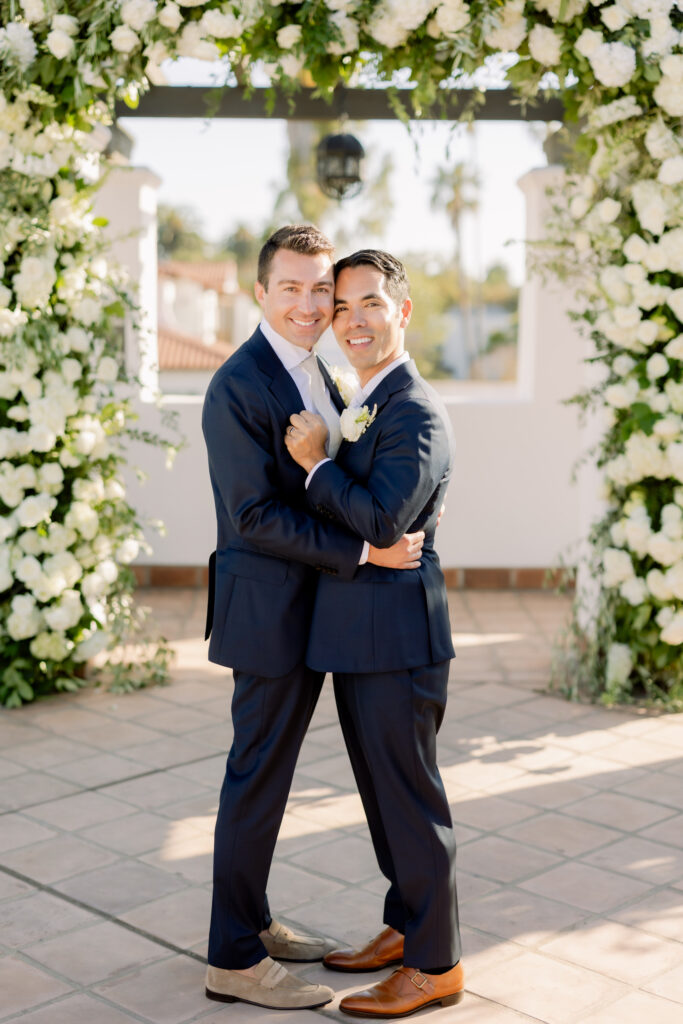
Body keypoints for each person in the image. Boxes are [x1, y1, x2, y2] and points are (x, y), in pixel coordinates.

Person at [201, 226, 424, 1011]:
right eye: (290, 288)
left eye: (318, 289)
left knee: (273, 779)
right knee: (256, 780)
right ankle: (231, 958)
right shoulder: (237, 383)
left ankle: (252, 920)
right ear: (259, 293)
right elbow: (254, 516)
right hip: (266, 615)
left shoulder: (322, 371)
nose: (308, 303)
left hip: (313, 613)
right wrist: (365, 556)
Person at [285, 249, 463, 1018]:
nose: (353, 321)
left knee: (412, 803)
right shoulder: (370, 399)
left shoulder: (414, 410)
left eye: (370, 306)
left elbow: (385, 519)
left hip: (397, 642)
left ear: (403, 313)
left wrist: (317, 467)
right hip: (364, 640)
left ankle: (435, 964)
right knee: (383, 799)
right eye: (344, 307)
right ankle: (404, 928)